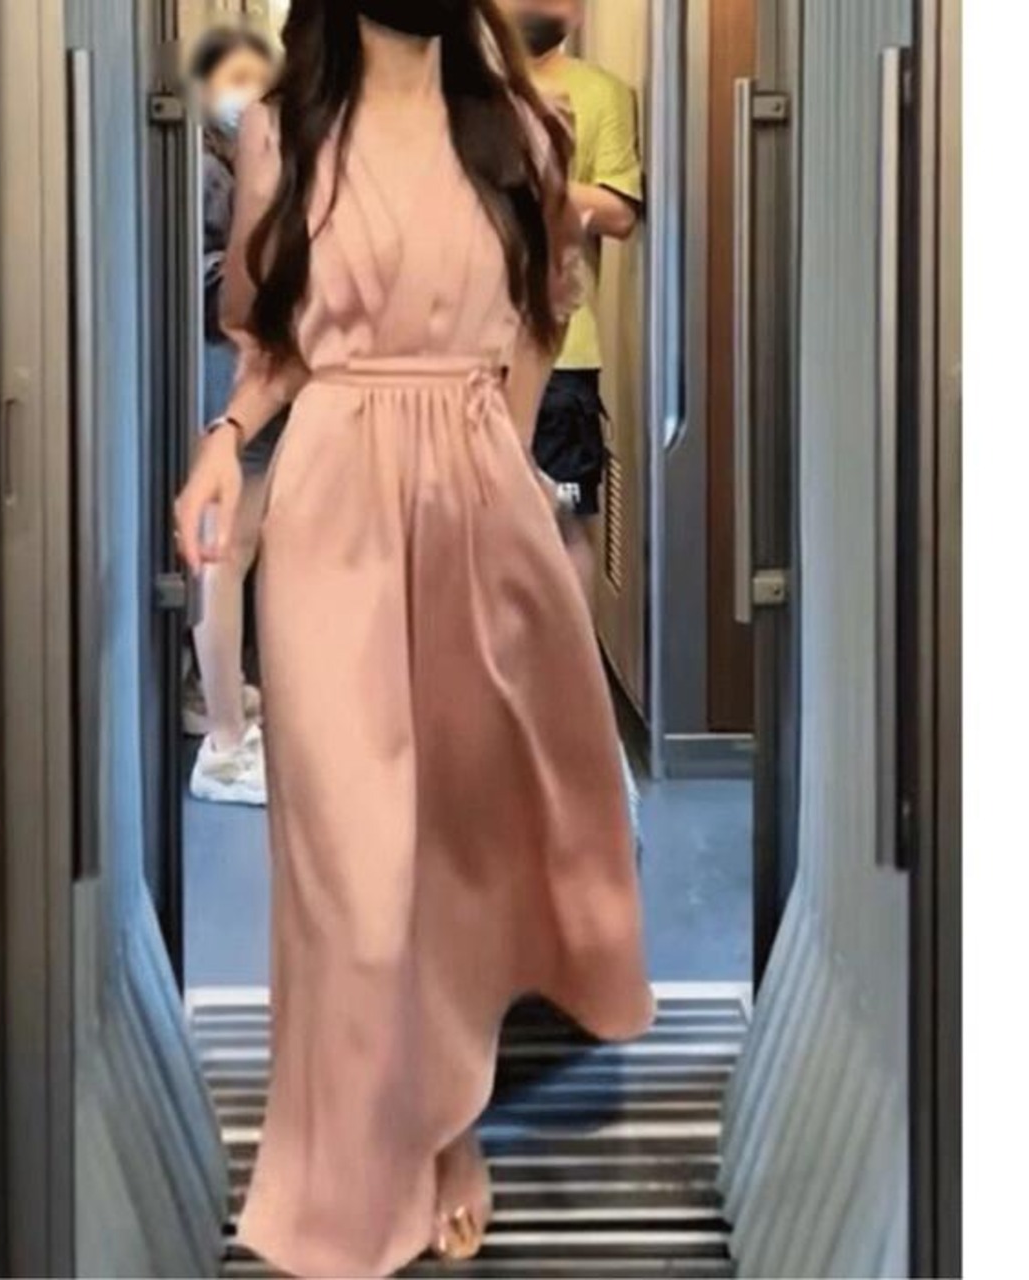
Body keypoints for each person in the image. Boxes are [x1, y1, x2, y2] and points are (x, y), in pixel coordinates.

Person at [174, 1, 653, 1275]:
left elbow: (543, 311)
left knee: (449, 844)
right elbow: (272, 342)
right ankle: (347, 1166)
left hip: (478, 508)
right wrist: (223, 441)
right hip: (333, 509)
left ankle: (442, 1123)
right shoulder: (284, 131)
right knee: (350, 851)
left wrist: (497, 451)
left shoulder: (517, 131)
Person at [507, 0, 643, 604]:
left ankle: (572, 660)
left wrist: (540, 181)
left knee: (562, 519)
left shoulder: (601, 94)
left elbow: (619, 213)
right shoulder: (458, 86)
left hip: (564, 354)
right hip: (461, 353)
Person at [186, 24, 280, 805]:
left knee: (237, 547)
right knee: (227, 549)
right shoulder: (206, 169)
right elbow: (224, 280)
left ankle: (221, 697)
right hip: (231, 366)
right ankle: (223, 743)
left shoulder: (227, 157)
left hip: (243, 367)